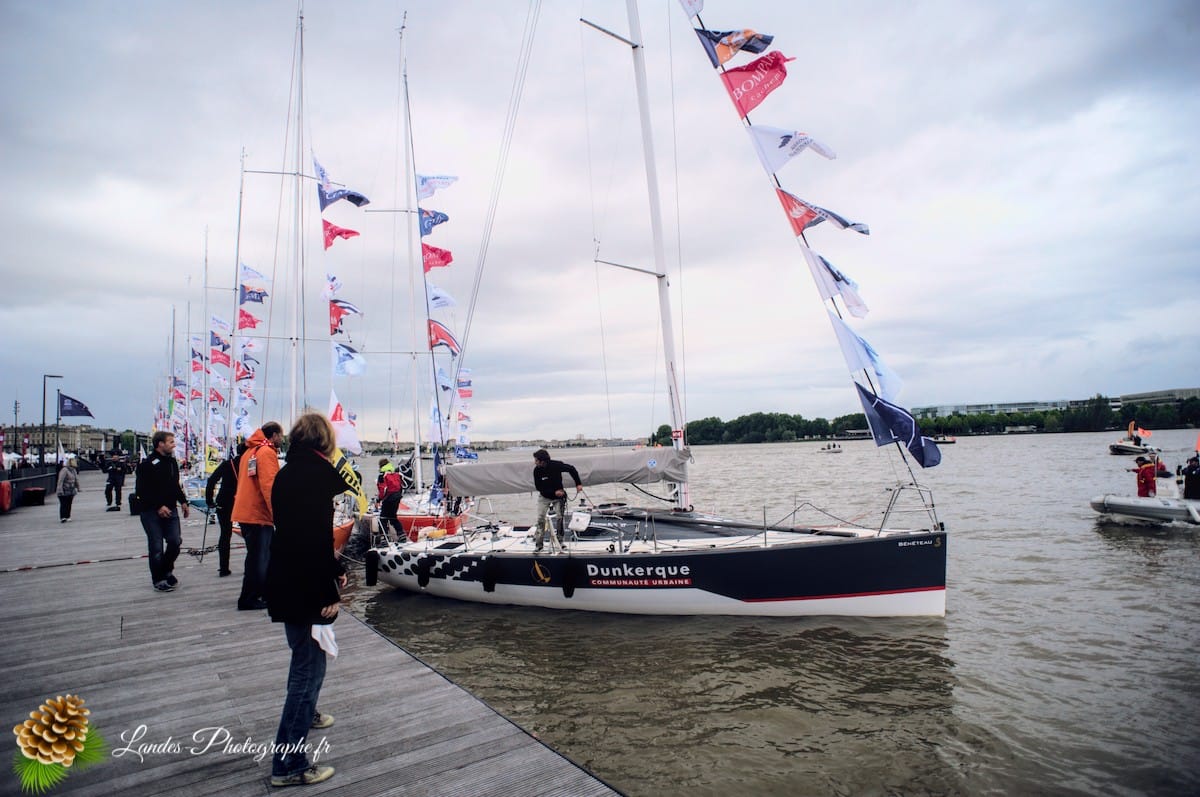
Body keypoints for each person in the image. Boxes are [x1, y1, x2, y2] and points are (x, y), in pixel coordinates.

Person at [264, 412, 346, 787]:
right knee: (307, 669)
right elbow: (311, 538)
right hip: (302, 586)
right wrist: (326, 589)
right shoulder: (314, 477)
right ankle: (289, 764)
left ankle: (307, 714)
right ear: (324, 441)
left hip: (286, 578)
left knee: (305, 660)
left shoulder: (288, 472)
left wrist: (333, 568)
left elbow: (304, 534)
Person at [232, 422, 283, 611]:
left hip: (247, 511)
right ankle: (249, 597)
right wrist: (278, 514)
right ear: (274, 435)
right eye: (280, 435)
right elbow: (270, 486)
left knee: (259, 556)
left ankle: (261, 593)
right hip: (257, 514)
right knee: (259, 558)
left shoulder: (250, 451)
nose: (282, 439)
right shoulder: (266, 453)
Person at [134, 432, 190, 592]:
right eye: (171, 442)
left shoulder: (172, 462)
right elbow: (141, 491)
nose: (174, 444)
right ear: (160, 444)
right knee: (156, 546)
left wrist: (183, 501)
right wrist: (158, 506)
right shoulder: (146, 465)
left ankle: (166, 569)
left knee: (175, 541)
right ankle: (158, 579)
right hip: (151, 512)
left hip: (171, 509)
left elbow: (175, 485)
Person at [206, 442, 246, 577]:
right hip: (242, 501)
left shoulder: (226, 464)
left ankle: (224, 568)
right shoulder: (248, 464)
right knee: (249, 535)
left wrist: (209, 501)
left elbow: (211, 480)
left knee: (225, 534)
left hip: (224, 501)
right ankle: (250, 566)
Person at [531, 449, 582, 552]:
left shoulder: (556, 465)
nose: (535, 462)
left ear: (542, 461)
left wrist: (578, 483)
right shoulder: (536, 470)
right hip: (544, 496)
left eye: (536, 460)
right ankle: (539, 545)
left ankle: (560, 541)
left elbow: (571, 469)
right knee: (540, 519)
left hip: (559, 497)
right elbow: (539, 487)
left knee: (559, 518)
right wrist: (553, 493)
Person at [56, 457, 80, 523]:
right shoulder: (64, 470)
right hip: (64, 489)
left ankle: (68, 516)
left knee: (69, 503)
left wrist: (78, 487)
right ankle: (63, 517)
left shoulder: (74, 471)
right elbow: (60, 481)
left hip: (71, 490)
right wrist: (60, 490)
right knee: (63, 503)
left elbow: (76, 480)